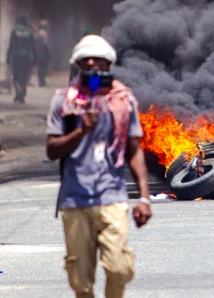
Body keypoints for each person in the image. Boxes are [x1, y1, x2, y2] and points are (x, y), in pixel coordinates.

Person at [47, 35, 152, 298]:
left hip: (112, 198)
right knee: (81, 283)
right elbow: (52, 150)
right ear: (77, 64)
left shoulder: (124, 101)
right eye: (85, 59)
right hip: (75, 201)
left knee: (118, 269)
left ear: (109, 64)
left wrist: (144, 198)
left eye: (98, 58)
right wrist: (80, 131)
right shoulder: (64, 102)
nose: (92, 63)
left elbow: (134, 150)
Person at [8, 15, 36, 104]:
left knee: (15, 76)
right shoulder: (30, 32)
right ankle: (22, 94)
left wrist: (8, 56)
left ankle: (18, 92)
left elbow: (11, 45)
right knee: (24, 76)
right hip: (27, 57)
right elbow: (33, 47)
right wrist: (35, 58)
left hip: (16, 56)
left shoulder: (14, 31)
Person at [36, 19, 52, 87]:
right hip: (43, 53)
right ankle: (42, 81)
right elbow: (46, 44)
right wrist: (49, 52)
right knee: (43, 68)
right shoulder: (44, 34)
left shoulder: (38, 33)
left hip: (38, 53)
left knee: (40, 68)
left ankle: (41, 81)